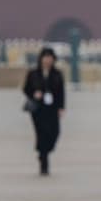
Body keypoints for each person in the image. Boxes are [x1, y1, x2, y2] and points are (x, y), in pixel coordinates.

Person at [22, 46, 65, 175]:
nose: (47, 60)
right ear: (41, 59)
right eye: (45, 57)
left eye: (50, 58)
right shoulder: (33, 73)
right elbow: (26, 89)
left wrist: (61, 107)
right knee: (42, 134)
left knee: (54, 133)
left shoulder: (57, 74)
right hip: (38, 109)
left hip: (52, 108)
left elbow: (61, 93)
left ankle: (44, 152)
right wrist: (34, 94)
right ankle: (44, 162)